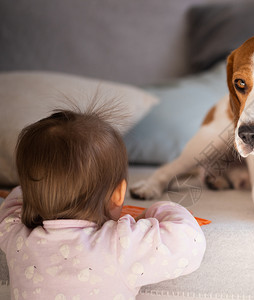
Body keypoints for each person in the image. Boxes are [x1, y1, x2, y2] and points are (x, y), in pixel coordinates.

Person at [0, 106, 206, 299]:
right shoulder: (120, 244)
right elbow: (189, 242)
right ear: (118, 194)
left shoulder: (15, 236)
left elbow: (13, 202)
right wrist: (159, 209)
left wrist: (32, 193)